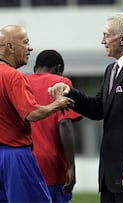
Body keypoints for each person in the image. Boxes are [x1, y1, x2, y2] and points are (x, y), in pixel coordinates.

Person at [0, 25, 74, 203]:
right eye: (25, 42)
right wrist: (57, 104)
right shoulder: (13, 76)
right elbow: (32, 113)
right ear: (10, 47)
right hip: (14, 156)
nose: (30, 47)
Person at [49, 12, 123, 202]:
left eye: (106, 35)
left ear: (122, 39)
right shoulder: (111, 70)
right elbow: (98, 109)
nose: (102, 41)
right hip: (110, 175)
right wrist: (69, 92)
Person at [27, 49, 82, 203]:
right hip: (53, 165)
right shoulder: (62, 83)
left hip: (25, 162)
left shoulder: (22, 83)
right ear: (58, 69)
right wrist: (71, 165)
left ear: (35, 68)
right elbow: (65, 124)